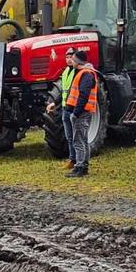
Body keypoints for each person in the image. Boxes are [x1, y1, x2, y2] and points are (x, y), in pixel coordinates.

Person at [65, 48, 97, 178]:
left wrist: (75, 113)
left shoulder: (86, 74)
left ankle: (80, 167)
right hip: (82, 111)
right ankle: (83, 166)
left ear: (77, 61)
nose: (70, 61)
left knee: (79, 140)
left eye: (72, 59)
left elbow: (83, 95)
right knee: (82, 139)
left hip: (82, 112)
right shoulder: (83, 73)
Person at [46, 48, 77, 168]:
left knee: (77, 137)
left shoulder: (78, 72)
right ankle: (72, 159)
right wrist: (55, 103)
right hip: (65, 108)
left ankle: (80, 162)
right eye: (67, 57)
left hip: (74, 108)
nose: (69, 60)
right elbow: (64, 91)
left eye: (71, 57)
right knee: (69, 136)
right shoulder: (65, 73)